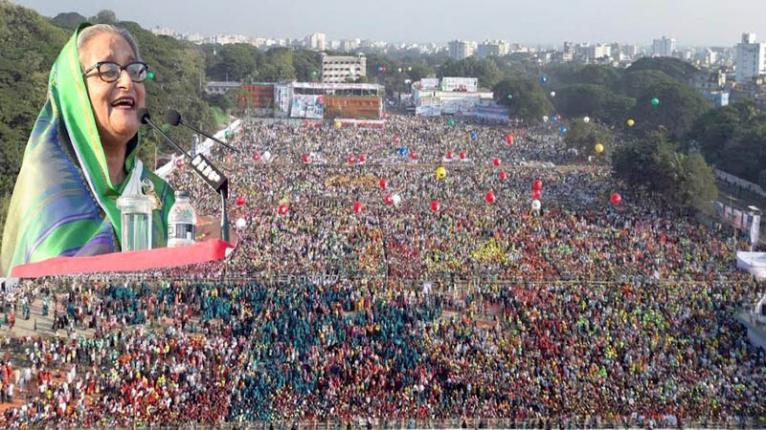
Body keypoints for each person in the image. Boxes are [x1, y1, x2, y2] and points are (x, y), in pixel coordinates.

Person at [1, 23, 175, 276]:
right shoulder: (49, 188)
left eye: (134, 70)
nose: (126, 82)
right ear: (75, 92)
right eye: (108, 70)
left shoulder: (156, 191)